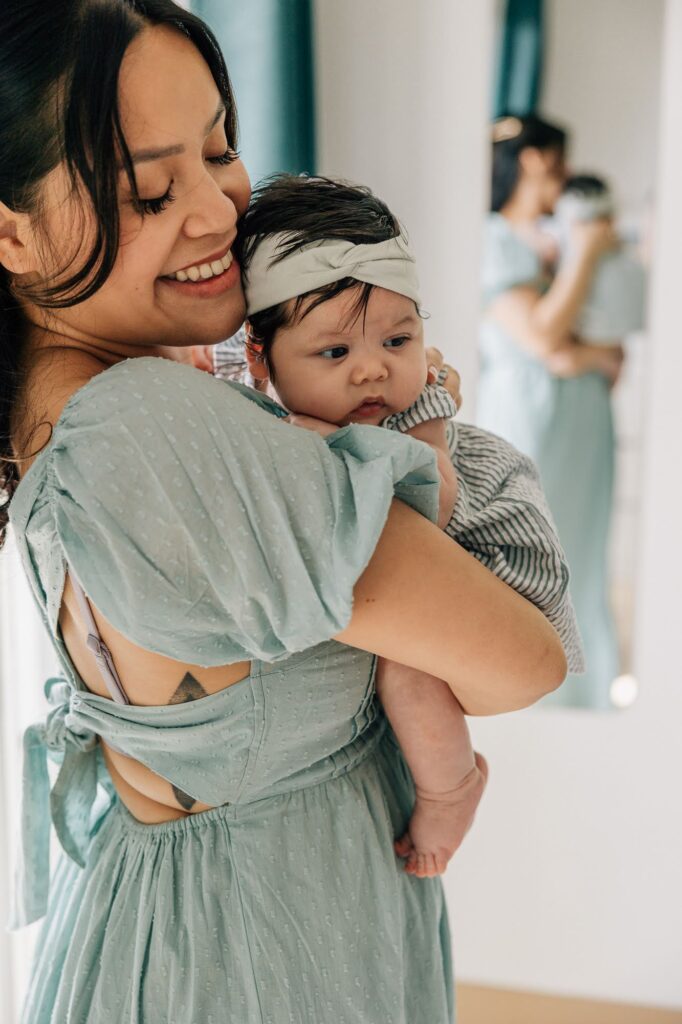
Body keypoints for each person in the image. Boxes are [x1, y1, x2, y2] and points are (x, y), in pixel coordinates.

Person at [0, 6, 567, 1021]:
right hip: (262, 947)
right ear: (12, 230)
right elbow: (524, 659)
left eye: (220, 150)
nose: (218, 212)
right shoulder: (149, 425)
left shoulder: (81, 404)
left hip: (204, 914)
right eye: (149, 190)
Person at [199, 174, 583, 878]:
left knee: (403, 669)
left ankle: (451, 790)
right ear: (260, 357)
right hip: (436, 558)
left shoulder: (416, 404)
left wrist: (323, 440)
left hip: (493, 555)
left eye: (398, 339)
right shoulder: (264, 406)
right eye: (335, 353)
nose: (373, 370)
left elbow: (429, 509)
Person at [477, 114, 622, 709]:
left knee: (585, 547)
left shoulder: (547, 239)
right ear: (537, 160)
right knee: (539, 549)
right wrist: (585, 255)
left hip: (582, 415)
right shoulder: (494, 238)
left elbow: (579, 341)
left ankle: (583, 690)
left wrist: (587, 354)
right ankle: (537, 689)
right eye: (561, 161)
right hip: (534, 414)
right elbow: (541, 338)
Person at [553, 173, 647, 345]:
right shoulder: (558, 261)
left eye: (602, 218)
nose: (595, 230)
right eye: (584, 222)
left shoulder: (635, 250)